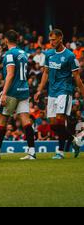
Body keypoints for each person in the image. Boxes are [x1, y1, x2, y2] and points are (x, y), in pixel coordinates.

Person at [0, 30, 36, 161]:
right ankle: (32, 152)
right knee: (26, 121)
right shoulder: (24, 53)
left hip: (12, 92)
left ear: (6, 40)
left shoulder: (9, 54)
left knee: (2, 121)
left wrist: (4, 92)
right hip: (24, 90)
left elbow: (11, 74)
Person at [35, 29, 84, 159]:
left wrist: (83, 92)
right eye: (50, 39)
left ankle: (60, 152)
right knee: (52, 124)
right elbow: (45, 73)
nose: (51, 42)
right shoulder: (48, 54)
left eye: (54, 39)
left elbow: (77, 78)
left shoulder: (69, 56)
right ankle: (75, 140)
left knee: (60, 120)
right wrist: (40, 90)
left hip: (65, 90)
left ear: (60, 38)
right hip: (52, 92)